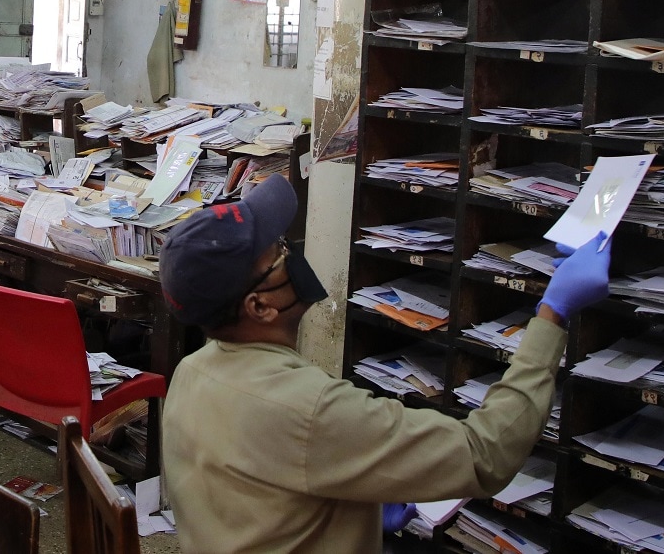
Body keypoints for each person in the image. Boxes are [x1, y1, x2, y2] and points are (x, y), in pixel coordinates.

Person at [159, 174, 610, 553]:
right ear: (259, 306)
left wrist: (351, 514)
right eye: (279, 251)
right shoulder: (309, 408)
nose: (291, 251)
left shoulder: (191, 372)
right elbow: (485, 454)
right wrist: (553, 313)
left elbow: (257, 494)